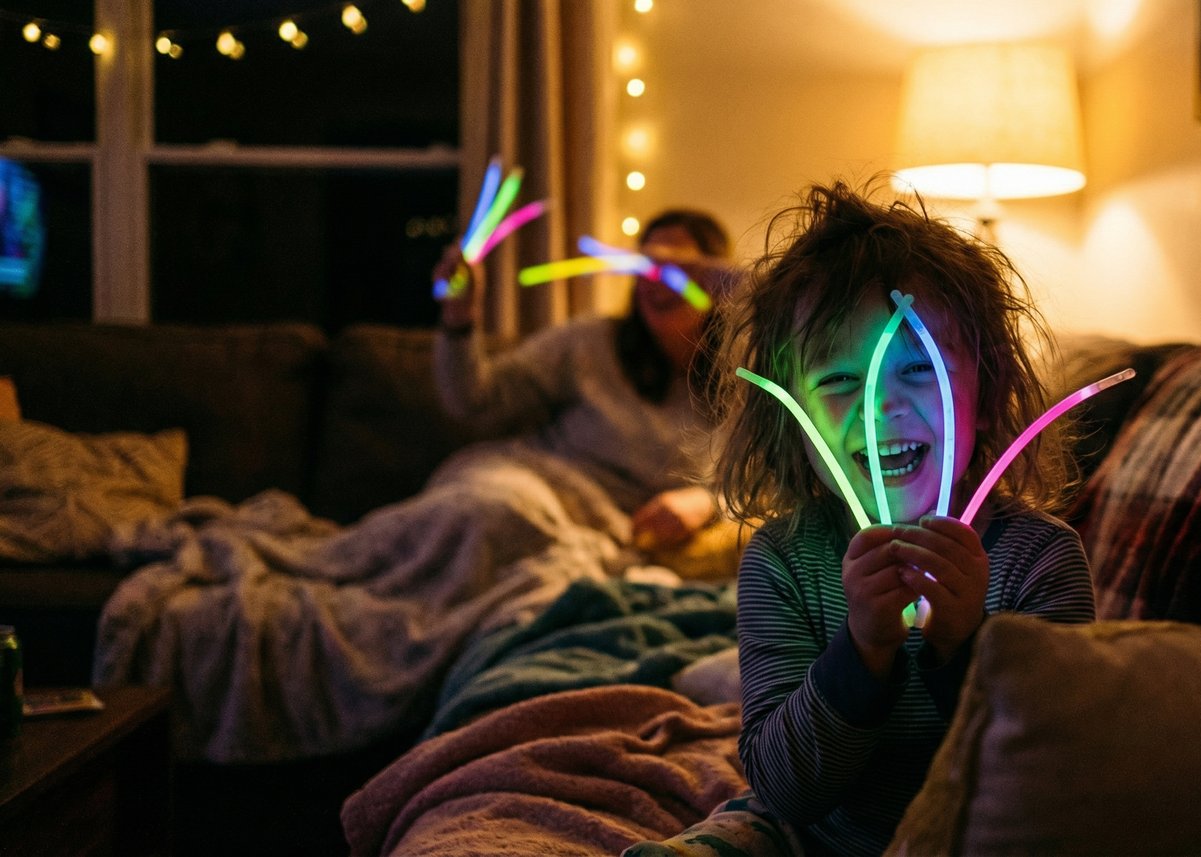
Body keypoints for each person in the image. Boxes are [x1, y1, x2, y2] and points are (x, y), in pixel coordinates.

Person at [712, 180, 1097, 855]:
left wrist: (967, 646)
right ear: (791, 421)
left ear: (988, 391)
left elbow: (1061, 772)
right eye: (838, 381)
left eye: (919, 368)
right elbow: (784, 787)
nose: (879, 407)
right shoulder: (782, 561)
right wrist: (861, 650)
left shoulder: (1042, 559)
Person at [432, 208, 734, 552]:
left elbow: (768, 484)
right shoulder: (590, 342)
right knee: (485, 517)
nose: (656, 279)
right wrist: (459, 317)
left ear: (717, 278)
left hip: (603, 532)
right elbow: (474, 400)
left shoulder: (744, 382)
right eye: (645, 264)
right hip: (526, 485)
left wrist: (706, 502)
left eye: (678, 266)